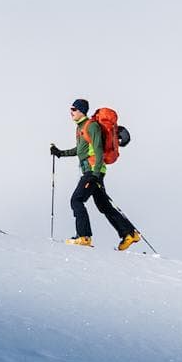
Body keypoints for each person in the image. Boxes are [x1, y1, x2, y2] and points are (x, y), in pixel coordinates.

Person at [50, 98, 141, 251]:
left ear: (81, 111)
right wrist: (60, 153)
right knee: (103, 205)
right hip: (91, 170)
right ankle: (129, 234)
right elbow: (80, 150)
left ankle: (84, 237)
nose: (70, 112)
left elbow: (98, 150)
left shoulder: (91, 126)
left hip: (93, 170)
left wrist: (95, 174)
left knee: (76, 200)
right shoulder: (80, 128)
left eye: (73, 109)